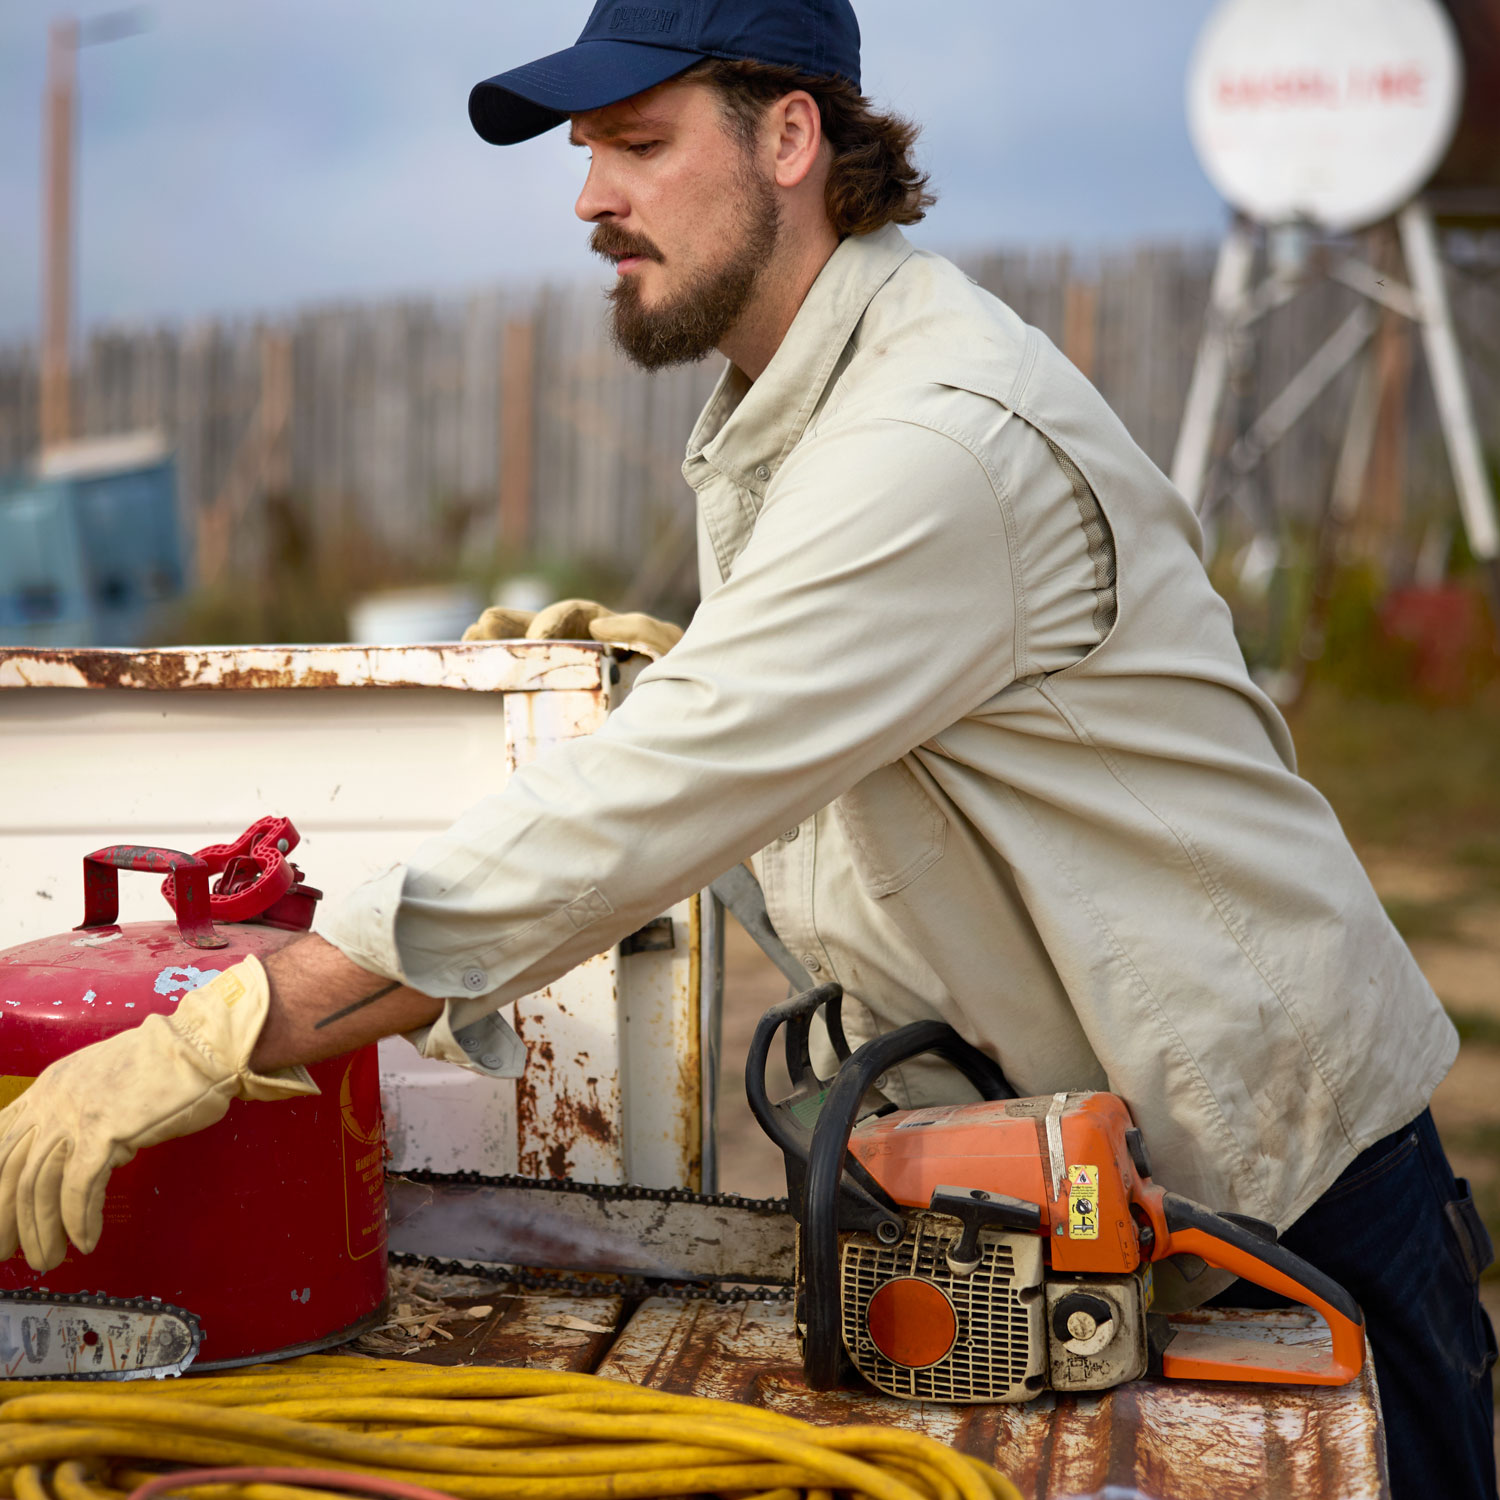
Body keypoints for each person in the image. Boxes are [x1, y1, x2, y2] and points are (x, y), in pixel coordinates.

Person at [0, 2, 1491, 1493]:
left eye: (639, 145)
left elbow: (652, 813)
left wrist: (230, 1028)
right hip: (1095, 1193)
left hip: (1285, 1214)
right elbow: (794, 739)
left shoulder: (932, 438)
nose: (590, 196)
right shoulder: (811, 407)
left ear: (792, 138)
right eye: (587, 153)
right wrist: (675, 676)